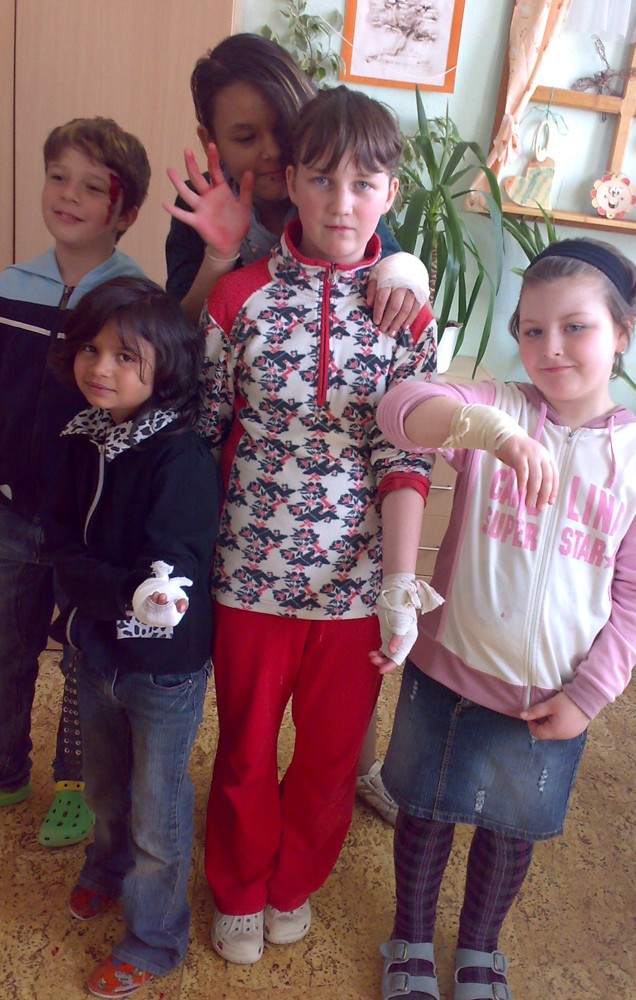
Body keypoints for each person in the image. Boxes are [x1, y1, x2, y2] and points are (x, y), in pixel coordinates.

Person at [373, 239, 636, 1000]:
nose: (551, 348)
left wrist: (589, 696)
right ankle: (410, 938)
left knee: (511, 830)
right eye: (532, 329)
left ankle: (481, 949)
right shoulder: (501, 408)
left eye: (576, 327)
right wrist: (493, 433)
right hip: (448, 673)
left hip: (550, 696)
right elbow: (400, 409)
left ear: (622, 333)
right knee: (424, 813)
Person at [199, 85, 440, 966]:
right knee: (244, 750)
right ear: (291, 181)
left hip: (355, 586)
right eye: (323, 179)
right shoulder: (239, 299)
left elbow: (408, 457)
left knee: (333, 758)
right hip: (248, 575)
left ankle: (293, 882)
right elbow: (202, 432)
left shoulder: (407, 318)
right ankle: (237, 885)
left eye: (364, 183)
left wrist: (399, 588)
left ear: (391, 192)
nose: (343, 202)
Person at [164, 31, 424, 823]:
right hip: (252, 553)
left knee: (332, 742)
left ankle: (338, 803)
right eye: (248, 137)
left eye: (283, 127)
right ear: (214, 143)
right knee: (244, 741)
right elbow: (183, 379)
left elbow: (404, 435)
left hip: (352, 566)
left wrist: (406, 269)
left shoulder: (353, 203)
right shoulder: (220, 254)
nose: (275, 154)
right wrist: (216, 256)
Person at [42, 276, 222, 999]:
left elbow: (171, 571)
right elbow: (59, 542)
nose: (100, 367)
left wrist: (124, 590)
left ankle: (154, 939)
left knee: (157, 806)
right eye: (91, 348)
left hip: (163, 669)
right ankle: (106, 867)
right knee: (102, 785)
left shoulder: (179, 455)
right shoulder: (80, 437)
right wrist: (114, 591)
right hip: (96, 650)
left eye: (124, 356)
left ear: (164, 367)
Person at [0, 118, 150, 850]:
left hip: (89, 523)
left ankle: (76, 784)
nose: (68, 195)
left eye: (93, 187)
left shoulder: (133, 299)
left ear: (125, 212)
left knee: (86, 659)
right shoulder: (9, 288)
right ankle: (6, 768)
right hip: (9, 513)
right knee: (6, 648)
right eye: (58, 177)